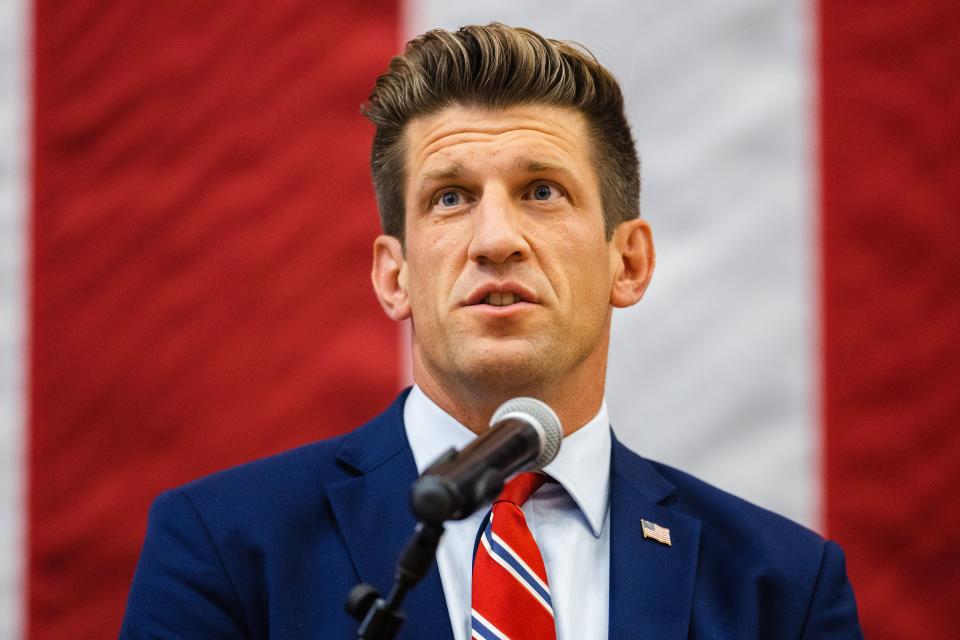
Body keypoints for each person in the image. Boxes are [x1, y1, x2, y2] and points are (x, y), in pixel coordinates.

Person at [120, 23, 863, 639]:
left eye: (542, 191)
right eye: (451, 198)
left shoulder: (784, 590)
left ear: (628, 263)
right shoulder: (224, 549)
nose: (496, 239)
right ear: (393, 276)